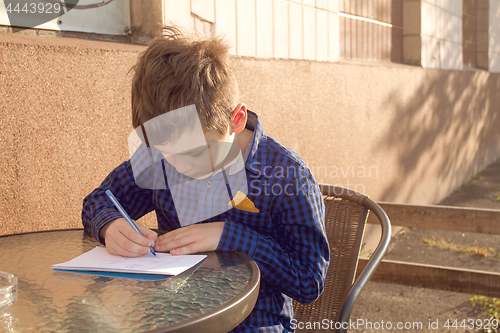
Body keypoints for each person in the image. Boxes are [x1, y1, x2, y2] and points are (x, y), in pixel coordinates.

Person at [82, 26, 329, 332]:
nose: (179, 167)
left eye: (195, 154)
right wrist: (109, 224)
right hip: (173, 319)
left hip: (254, 325)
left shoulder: (288, 176)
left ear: (235, 120)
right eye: (165, 152)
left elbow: (309, 282)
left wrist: (230, 237)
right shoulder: (163, 159)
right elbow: (98, 201)